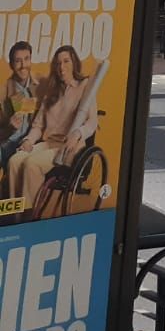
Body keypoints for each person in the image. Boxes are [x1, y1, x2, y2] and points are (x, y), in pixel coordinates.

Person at [7, 45, 97, 215]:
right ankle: (15, 214)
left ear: (74, 63)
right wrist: (28, 140)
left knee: (32, 164)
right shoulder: (52, 92)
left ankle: (29, 216)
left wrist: (78, 133)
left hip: (69, 148)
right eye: (58, 63)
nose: (61, 67)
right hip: (48, 143)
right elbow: (38, 125)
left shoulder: (85, 87)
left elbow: (92, 122)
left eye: (66, 61)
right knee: (14, 161)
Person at [0, 40, 34, 172]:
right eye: (18, 61)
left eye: (26, 59)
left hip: (31, 142)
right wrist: (10, 128)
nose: (23, 65)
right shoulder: (3, 92)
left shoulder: (40, 85)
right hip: (7, 144)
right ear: (11, 65)